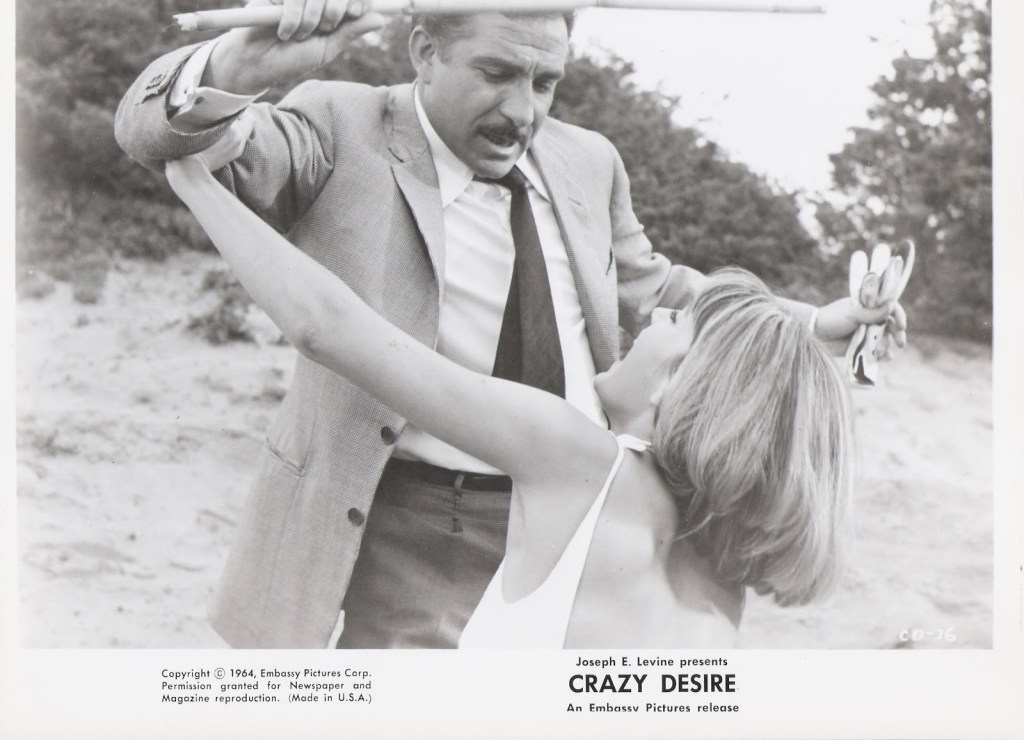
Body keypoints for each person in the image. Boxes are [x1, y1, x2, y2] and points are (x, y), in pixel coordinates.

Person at [115, 0, 905, 648]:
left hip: (581, 513)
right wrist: (235, 70)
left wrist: (812, 323)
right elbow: (158, 137)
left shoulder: (590, 161)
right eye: (496, 74)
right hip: (405, 515)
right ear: (425, 50)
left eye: (545, 81)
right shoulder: (339, 124)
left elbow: (659, 290)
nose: (523, 110)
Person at [165, 152, 864, 647]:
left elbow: (328, 328)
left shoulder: (574, 459)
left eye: (675, 321)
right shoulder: (720, 573)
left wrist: (194, 180)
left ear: (689, 382)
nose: (653, 316)